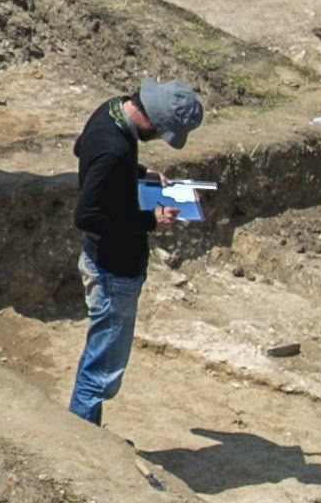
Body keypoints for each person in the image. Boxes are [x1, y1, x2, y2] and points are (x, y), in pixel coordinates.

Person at [65, 78, 214, 425]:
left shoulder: (110, 112)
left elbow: (80, 149)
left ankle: (85, 435)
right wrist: (151, 220)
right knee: (101, 369)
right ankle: (82, 444)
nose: (160, 138)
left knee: (101, 359)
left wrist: (140, 173)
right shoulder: (115, 148)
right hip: (112, 270)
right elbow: (86, 215)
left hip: (107, 263)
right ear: (152, 120)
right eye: (163, 132)